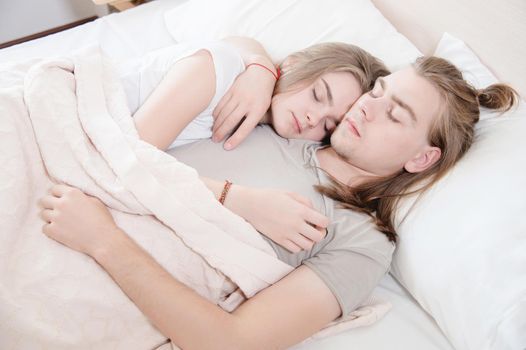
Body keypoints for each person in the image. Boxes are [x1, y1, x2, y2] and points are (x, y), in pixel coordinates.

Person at [38, 44, 517, 349]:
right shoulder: (290, 118)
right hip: (63, 180)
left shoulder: (360, 240)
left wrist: (104, 242)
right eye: (379, 92)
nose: (368, 109)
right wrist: (258, 69)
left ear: (421, 159)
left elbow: (232, 342)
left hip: (87, 254)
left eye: (396, 115)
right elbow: (232, 57)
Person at [124, 38, 388, 151]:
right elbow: (126, 156)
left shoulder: (267, 130)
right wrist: (260, 64)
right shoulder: (220, 72)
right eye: (318, 95)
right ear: (292, 64)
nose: (313, 118)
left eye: (329, 125)